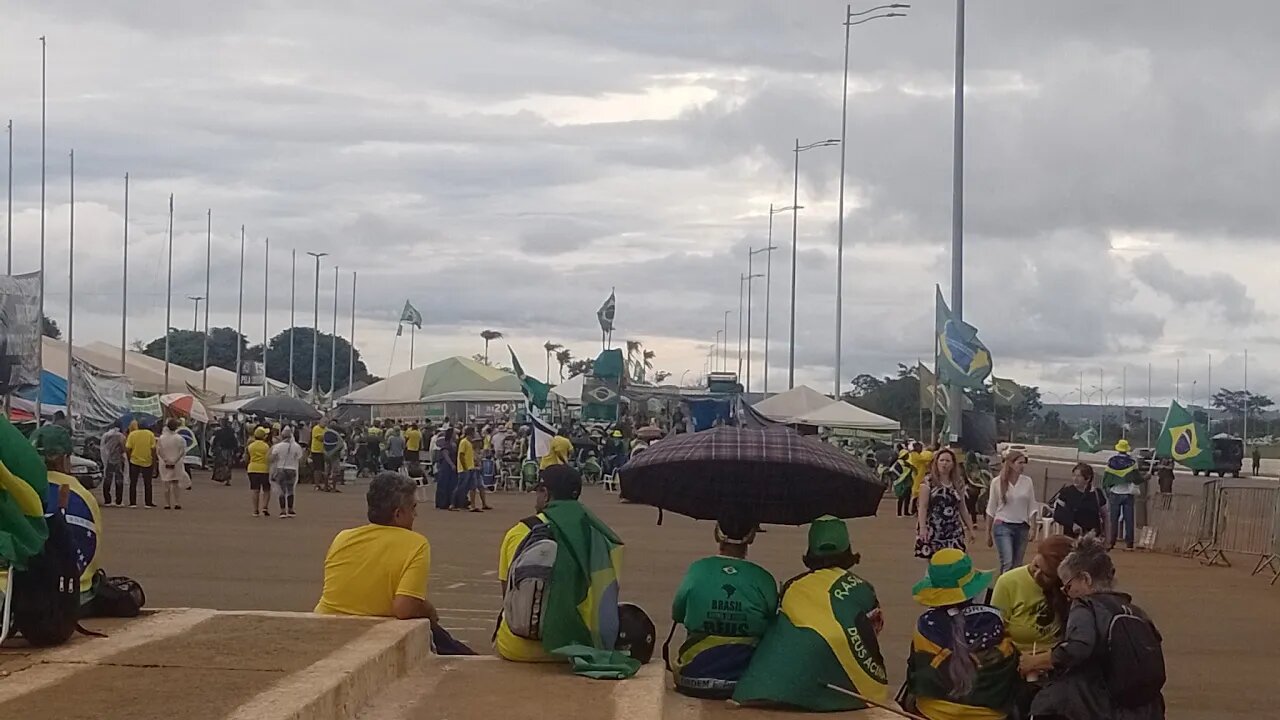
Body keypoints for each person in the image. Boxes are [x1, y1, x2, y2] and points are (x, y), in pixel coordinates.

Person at [733, 516, 887, 712]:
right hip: (841, 686)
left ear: (810, 552)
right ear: (847, 550)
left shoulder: (792, 584)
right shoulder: (864, 588)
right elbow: (873, 631)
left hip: (776, 688)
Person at [1020, 536, 1166, 720]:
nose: (1067, 595)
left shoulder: (1085, 605)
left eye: (1068, 587)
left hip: (1096, 707)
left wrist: (1037, 661)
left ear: (1085, 579)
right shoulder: (1136, 612)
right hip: (1146, 710)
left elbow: (1079, 647)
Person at [495, 465, 624, 663]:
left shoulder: (519, 531)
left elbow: (508, 595)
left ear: (546, 494)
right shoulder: (596, 533)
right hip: (573, 650)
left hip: (517, 648)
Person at [669, 512, 777, 699]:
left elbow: (678, 613)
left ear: (716, 534)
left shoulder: (698, 569)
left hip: (692, 675)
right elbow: (773, 624)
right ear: (751, 537)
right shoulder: (764, 578)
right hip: (746, 679)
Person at [903, 548, 1019, 719]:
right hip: (989, 714)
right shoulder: (996, 620)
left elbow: (915, 673)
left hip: (932, 714)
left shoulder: (924, 625)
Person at [314, 472, 439, 622]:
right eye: (413, 508)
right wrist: (429, 611)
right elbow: (404, 608)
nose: (415, 515)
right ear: (398, 514)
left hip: (324, 620)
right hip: (370, 629)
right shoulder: (416, 544)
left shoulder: (343, 537)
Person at [31, 424, 103, 607]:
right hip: (77, 593)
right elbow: (92, 550)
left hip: (18, 593)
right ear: (65, 459)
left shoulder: (16, 490)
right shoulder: (83, 495)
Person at [990, 534, 1073, 653]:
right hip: (1017, 655)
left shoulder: (1069, 589)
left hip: (1057, 654)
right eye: (1036, 566)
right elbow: (994, 629)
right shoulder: (1007, 582)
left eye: (1047, 575)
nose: (1037, 575)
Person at [916, 448, 977, 559]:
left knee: (956, 562)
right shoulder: (927, 482)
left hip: (954, 530)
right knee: (935, 564)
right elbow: (923, 507)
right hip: (933, 529)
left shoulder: (958, 483)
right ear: (936, 462)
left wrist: (970, 528)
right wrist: (922, 528)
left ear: (953, 464)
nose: (944, 463)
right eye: (942, 460)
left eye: (948, 461)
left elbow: (962, 507)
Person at [986, 449, 1037, 575]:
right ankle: (1002, 591)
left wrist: (1033, 527)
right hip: (1003, 524)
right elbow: (991, 507)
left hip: (1022, 526)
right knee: (1007, 561)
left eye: (1024, 463)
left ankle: (1011, 589)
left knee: (1017, 564)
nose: (1022, 466)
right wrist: (987, 532)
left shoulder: (1027, 481)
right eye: (1019, 463)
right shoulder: (997, 482)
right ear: (1011, 464)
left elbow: (1032, 505)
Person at [1101, 440, 1141, 550]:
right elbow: (1136, 478)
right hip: (1128, 493)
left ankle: (1111, 541)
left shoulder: (1112, 461)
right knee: (1129, 519)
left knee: (1113, 519)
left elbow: (1106, 478)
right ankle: (1129, 543)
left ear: (1118, 449)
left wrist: (1106, 490)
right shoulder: (1132, 462)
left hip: (1115, 492)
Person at [1051, 463, 1108, 539]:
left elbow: (1105, 516)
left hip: (1093, 538)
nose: (1075, 478)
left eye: (1079, 476)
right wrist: (1072, 524)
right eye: (1074, 475)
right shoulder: (1066, 492)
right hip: (1071, 537)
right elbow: (1058, 514)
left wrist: (1108, 538)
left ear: (1088, 478)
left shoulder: (1097, 494)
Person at [270, 425, 306, 518]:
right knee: (290, 490)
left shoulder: (277, 446)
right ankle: (290, 510)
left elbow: (272, 458)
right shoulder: (296, 446)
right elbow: (300, 459)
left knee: (281, 491)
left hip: (280, 468)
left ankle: (282, 511)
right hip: (292, 469)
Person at [156, 419, 190, 511]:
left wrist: (166, 460)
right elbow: (183, 451)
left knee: (166, 484)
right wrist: (175, 460)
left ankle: (167, 503)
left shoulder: (161, 438)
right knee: (176, 484)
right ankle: (177, 502)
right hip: (177, 464)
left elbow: (159, 451)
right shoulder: (180, 438)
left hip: (164, 464)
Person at [124, 419, 158, 508]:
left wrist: (129, 458)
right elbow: (153, 449)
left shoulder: (132, 434)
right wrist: (154, 461)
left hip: (134, 460)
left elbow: (127, 448)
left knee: (133, 483)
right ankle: (148, 502)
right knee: (148, 483)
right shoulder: (150, 434)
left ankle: (133, 503)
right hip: (147, 461)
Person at [246, 427, 272, 516]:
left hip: (252, 468)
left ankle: (255, 510)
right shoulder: (266, 446)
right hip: (264, 469)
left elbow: (246, 457)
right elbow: (269, 458)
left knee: (255, 490)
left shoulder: (251, 446)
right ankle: (265, 506)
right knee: (266, 489)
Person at [99, 424, 126, 507]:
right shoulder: (121, 436)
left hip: (108, 460)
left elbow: (102, 447)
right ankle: (118, 501)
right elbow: (123, 447)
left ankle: (107, 500)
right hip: (118, 460)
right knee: (119, 480)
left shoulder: (106, 435)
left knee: (107, 479)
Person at [435, 427, 459, 510]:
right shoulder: (446, 443)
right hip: (446, 466)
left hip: (451, 465)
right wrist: (452, 464)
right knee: (444, 484)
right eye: (454, 433)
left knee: (452, 484)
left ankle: (451, 501)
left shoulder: (454, 443)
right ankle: (443, 502)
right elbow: (445, 455)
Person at [907, 441, 934, 515]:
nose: (921, 449)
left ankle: (915, 509)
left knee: (918, 492)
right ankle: (913, 509)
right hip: (918, 475)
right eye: (919, 447)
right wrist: (932, 455)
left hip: (920, 474)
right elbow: (924, 459)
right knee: (916, 492)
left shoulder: (917, 454)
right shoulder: (915, 454)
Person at [457, 426, 479, 511]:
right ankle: (460, 503)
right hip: (465, 469)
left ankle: (472, 505)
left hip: (471, 467)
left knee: (473, 487)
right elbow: (461, 455)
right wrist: (465, 467)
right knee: (462, 487)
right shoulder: (464, 442)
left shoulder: (469, 443)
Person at [211, 418, 239, 486]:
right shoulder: (231, 431)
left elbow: (214, 441)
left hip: (222, 449)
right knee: (228, 465)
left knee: (221, 464)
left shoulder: (219, 432)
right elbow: (235, 441)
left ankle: (221, 477)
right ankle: (227, 479)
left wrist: (213, 448)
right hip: (229, 450)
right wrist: (236, 450)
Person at [310, 419, 327, 487]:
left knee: (323, 468)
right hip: (316, 451)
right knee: (317, 468)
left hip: (324, 451)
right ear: (319, 422)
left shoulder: (326, 429)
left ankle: (322, 483)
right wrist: (327, 437)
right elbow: (320, 438)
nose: (325, 423)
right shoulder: (316, 428)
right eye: (324, 422)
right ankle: (317, 484)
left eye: (326, 422)